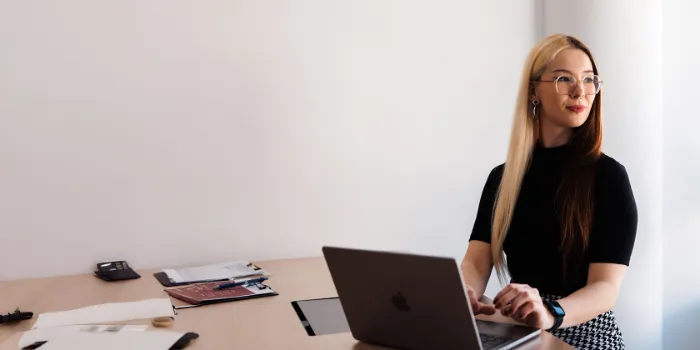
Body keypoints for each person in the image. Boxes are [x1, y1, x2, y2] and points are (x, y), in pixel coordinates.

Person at [460, 34, 638, 350]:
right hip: (521, 329)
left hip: (583, 332)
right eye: (563, 79)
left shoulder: (609, 177)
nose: (579, 90)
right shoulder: (503, 178)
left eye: (588, 80)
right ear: (533, 91)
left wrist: (549, 312)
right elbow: (476, 263)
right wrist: (463, 297)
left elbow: (605, 288)